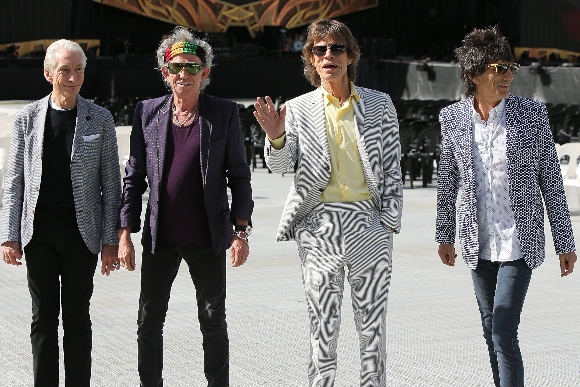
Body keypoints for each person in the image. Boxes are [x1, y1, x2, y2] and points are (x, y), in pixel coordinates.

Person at [253, 18, 402, 387]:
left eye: (337, 48)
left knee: (372, 332)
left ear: (350, 56)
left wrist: (387, 224)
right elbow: (282, 166)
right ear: (311, 59)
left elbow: (393, 168)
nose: (329, 55)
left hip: (369, 225)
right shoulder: (299, 109)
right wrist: (276, 138)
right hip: (319, 229)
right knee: (323, 328)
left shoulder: (380, 105)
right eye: (320, 50)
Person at [436, 26, 577, 387]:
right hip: (477, 242)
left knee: (502, 330)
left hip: (519, 241)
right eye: (499, 68)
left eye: (510, 67)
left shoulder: (531, 115)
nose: (509, 75)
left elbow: (550, 180)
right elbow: (448, 180)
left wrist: (565, 242)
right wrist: (445, 234)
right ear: (473, 74)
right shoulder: (452, 119)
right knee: (490, 331)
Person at [117, 26, 253, 387]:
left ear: (205, 73)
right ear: (165, 72)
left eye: (193, 67)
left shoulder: (222, 113)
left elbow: (239, 175)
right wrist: (125, 233)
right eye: (176, 66)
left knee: (212, 320)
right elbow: (133, 177)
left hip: (208, 238)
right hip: (161, 238)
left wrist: (241, 231)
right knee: (149, 319)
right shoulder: (147, 114)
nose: (184, 74)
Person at [0, 39, 121, 386]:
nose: (72, 77)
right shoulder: (28, 119)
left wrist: (110, 239)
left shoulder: (100, 118)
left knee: (77, 318)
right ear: (48, 73)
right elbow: (15, 182)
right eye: (65, 70)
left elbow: (111, 184)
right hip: (37, 234)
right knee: (42, 319)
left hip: (81, 234)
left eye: (78, 69)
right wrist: (10, 235)